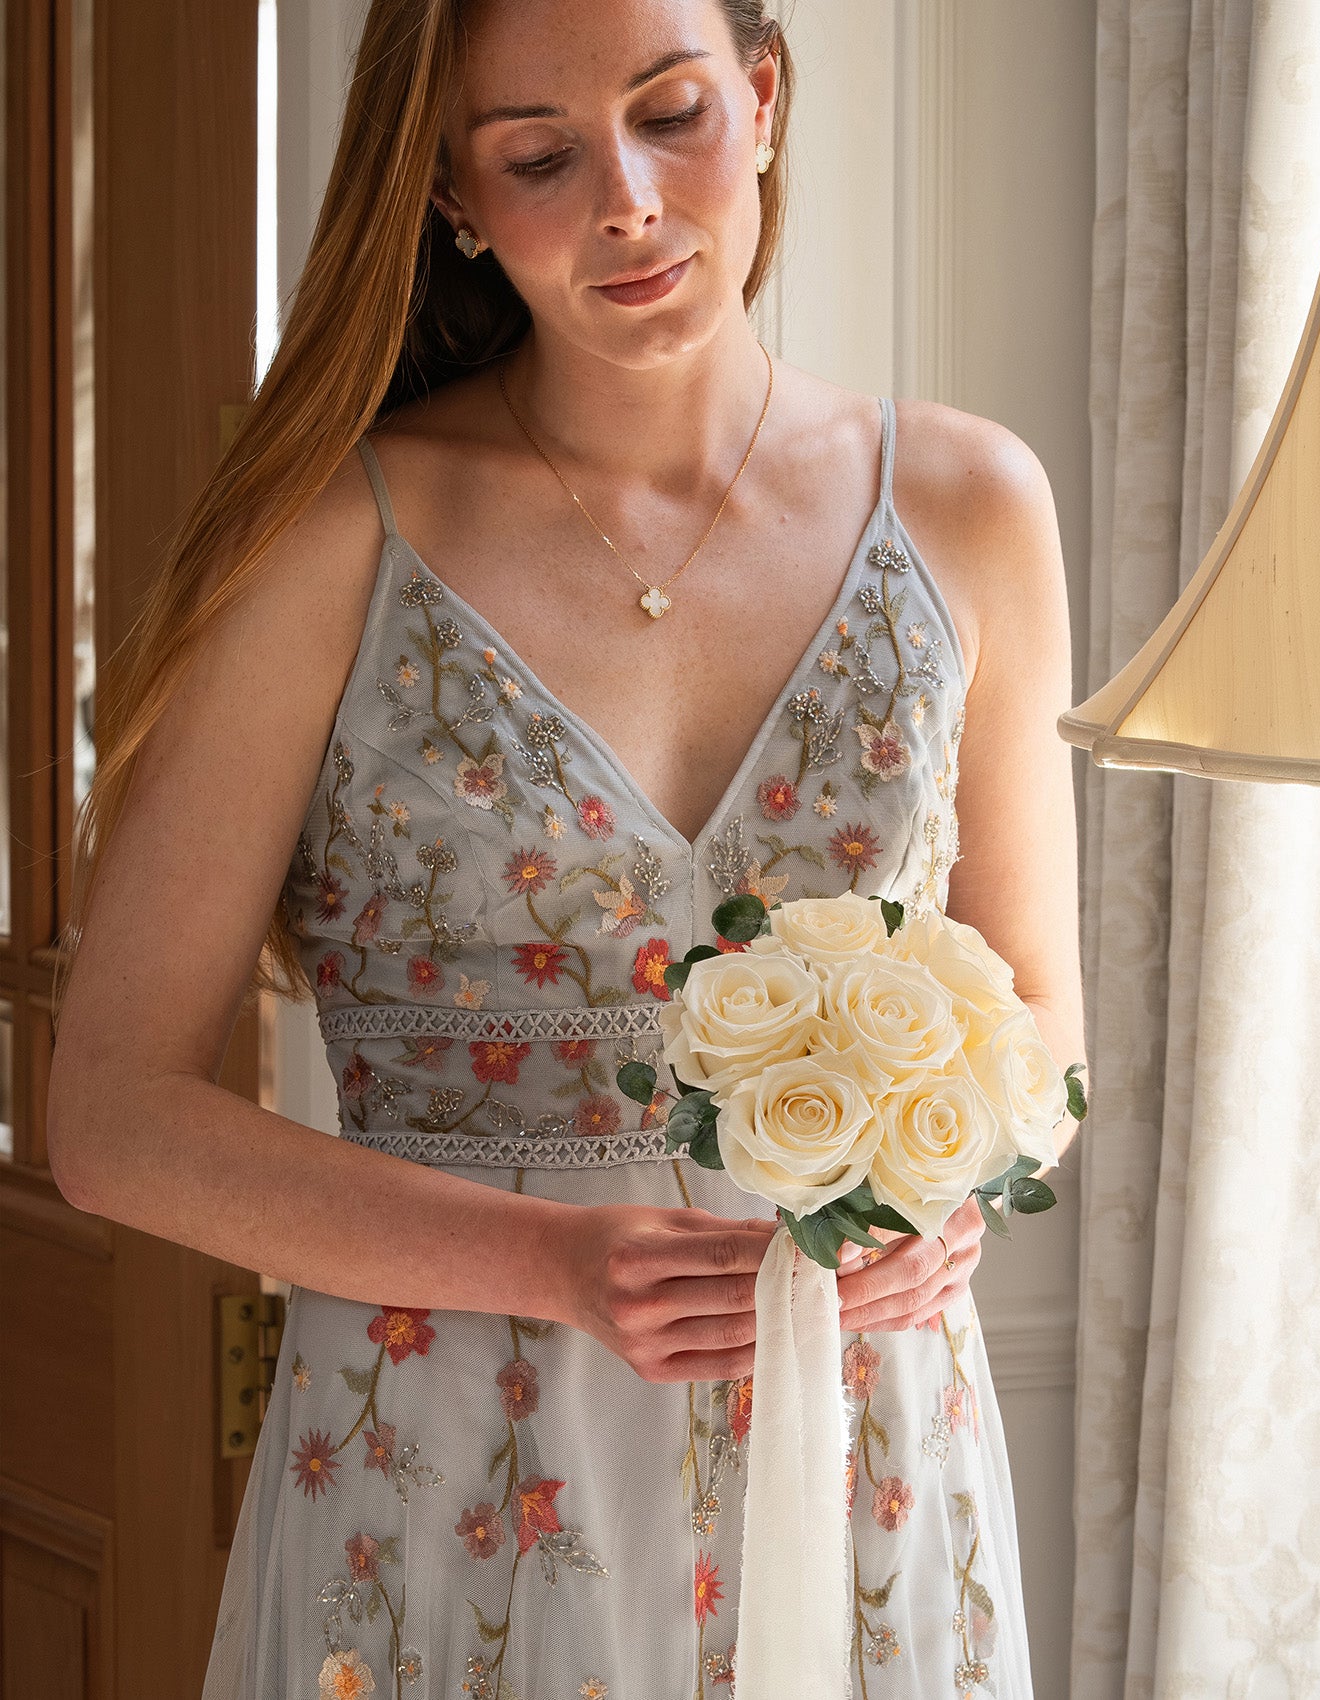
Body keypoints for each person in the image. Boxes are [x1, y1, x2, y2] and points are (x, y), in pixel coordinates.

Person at [45, 0, 1084, 1693]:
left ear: (762, 98)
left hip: (859, 1435)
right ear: (453, 197)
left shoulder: (969, 504)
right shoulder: (328, 536)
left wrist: (953, 1194)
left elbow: (1037, 1009)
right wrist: (551, 1263)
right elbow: (111, 1118)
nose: (628, 200)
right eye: (539, 156)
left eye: (672, 115)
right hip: (453, 1448)